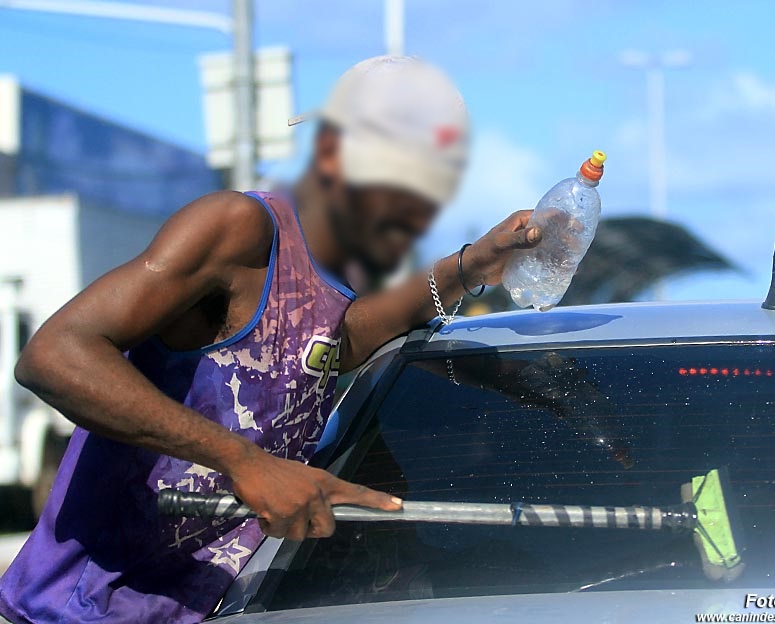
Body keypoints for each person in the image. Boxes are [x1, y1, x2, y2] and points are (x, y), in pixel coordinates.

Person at [0, 56, 541, 624]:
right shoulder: (238, 227)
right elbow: (53, 354)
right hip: (86, 609)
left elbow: (341, 343)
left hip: (204, 608)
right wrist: (244, 462)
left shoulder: (339, 271)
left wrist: (472, 264)